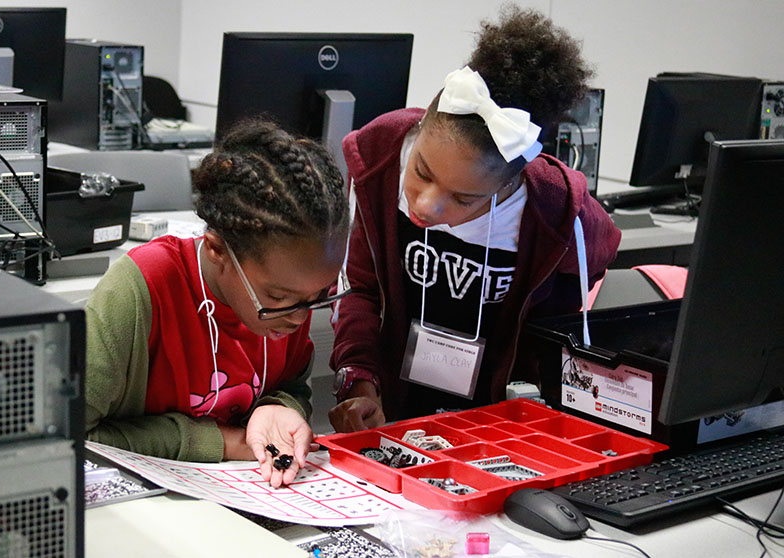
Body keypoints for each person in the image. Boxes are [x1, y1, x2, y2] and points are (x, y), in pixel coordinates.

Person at [328, 5, 621, 433]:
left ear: (510, 183)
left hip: (498, 425)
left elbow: (584, 277)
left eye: (464, 199)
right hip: (394, 408)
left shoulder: (553, 212)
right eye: (422, 172)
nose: (427, 206)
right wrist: (359, 379)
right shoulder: (382, 161)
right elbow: (361, 289)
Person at [85, 118, 350, 487]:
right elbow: (67, 434)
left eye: (318, 296)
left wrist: (279, 408)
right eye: (278, 297)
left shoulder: (291, 294)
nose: (298, 317)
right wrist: (221, 442)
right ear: (216, 250)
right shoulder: (139, 291)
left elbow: (292, 384)